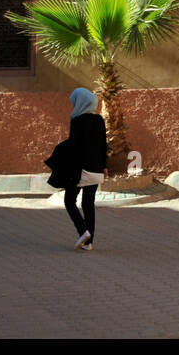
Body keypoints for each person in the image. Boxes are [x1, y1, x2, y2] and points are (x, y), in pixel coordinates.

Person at [64, 87, 107, 251]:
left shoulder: (77, 121)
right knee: (88, 204)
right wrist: (104, 166)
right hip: (96, 170)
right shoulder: (99, 120)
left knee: (69, 201)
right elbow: (104, 145)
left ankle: (83, 232)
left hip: (80, 170)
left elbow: (74, 148)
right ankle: (89, 243)